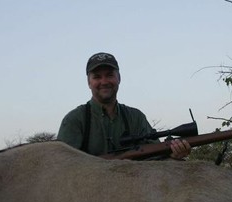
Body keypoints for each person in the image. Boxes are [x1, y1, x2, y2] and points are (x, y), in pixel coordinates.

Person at [57, 52, 191, 159]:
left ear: (119, 78)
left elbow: (156, 156)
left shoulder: (136, 117)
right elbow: (63, 166)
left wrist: (173, 154)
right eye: (97, 77)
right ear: (89, 82)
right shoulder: (74, 119)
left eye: (109, 75)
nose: (104, 81)